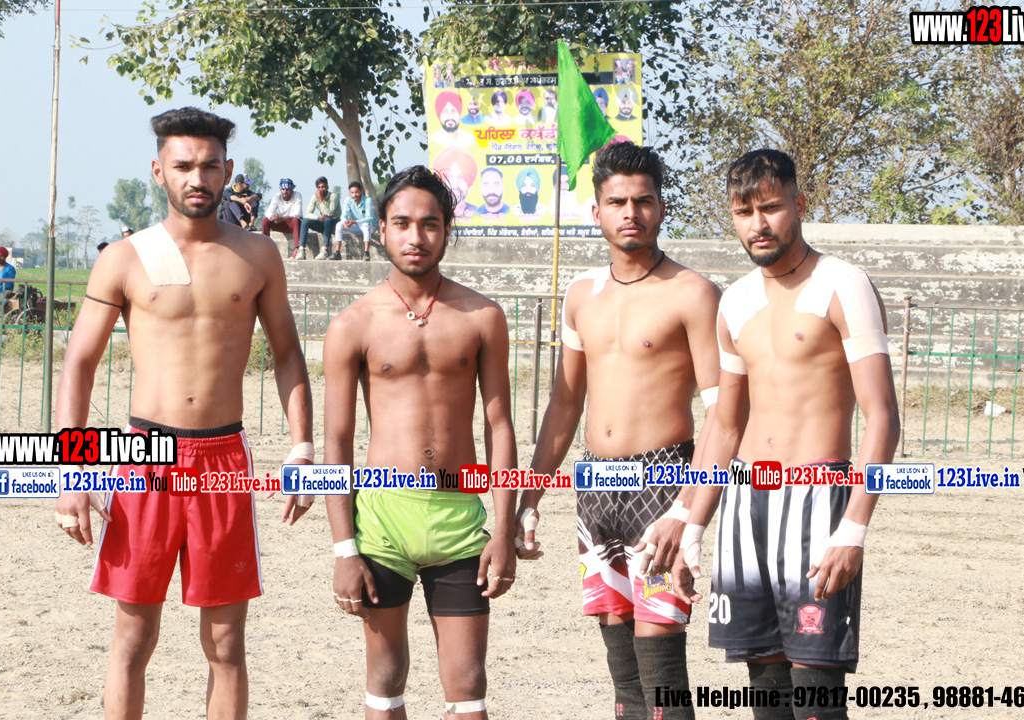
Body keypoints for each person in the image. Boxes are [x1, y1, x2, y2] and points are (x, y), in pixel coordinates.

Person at [54, 106, 315, 720]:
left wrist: (302, 447)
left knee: (225, 644)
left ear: (228, 170)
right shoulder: (124, 257)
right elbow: (79, 363)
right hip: (143, 458)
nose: (197, 178)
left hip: (224, 458)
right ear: (159, 171)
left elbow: (287, 355)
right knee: (133, 638)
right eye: (183, 166)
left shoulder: (258, 255)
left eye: (209, 166)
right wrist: (70, 471)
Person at [673, 149, 900, 720]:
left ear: (799, 204)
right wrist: (693, 524)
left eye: (771, 207)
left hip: (819, 503)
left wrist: (854, 529)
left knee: (816, 693)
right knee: (766, 690)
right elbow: (726, 425)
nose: (758, 224)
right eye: (743, 212)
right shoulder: (734, 302)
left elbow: (882, 417)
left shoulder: (843, 284)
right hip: (746, 504)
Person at [516, 142, 721, 720]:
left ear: (661, 208)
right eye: (617, 202)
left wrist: (688, 509)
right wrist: (530, 498)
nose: (631, 212)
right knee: (620, 660)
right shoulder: (581, 295)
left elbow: (723, 412)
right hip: (596, 487)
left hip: (664, 482)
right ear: (596, 211)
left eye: (643, 201)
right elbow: (564, 405)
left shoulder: (693, 292)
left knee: (661, 657)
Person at [323, 165, 517, 720]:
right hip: (382, 517)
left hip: (457, 515)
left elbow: (499, 426)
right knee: (385, 678)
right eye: (403, 223)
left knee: (468, 683)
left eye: (430, 224)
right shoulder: (354, 323)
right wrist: (344, 550)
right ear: (381, 228)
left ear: (447, 230)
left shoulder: (482, 317)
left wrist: (503, 531)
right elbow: (336, 440)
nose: (416, 236)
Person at [261, 178, 305, 258]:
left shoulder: (297, 195)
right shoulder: (277, 196)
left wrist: (282, 218)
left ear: (291, 190)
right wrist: (273, 217)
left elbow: (297, 213)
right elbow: (268, 212)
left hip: (293, 224)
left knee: (295, 220)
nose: (285, 192)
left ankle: (297, 250)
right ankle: (265, 247)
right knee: (265, 220)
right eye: (283, 189)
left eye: (287, 189)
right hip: (281, 223)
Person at [334, 181, 378, 261]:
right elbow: (343, 216)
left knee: (365, 225)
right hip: (357, 227)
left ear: (360, 191)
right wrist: (346, 222)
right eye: (352, 193)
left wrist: (354, 222)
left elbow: (370, 218)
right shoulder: (348, 200)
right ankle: (337, 253)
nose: (354, 195)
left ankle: (366, 253)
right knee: (339, 224)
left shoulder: (367, 201)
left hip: (370, 227)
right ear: (350, 193)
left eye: (356, 192)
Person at [433, 146, 479, 220]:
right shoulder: (432, 213)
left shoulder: (479, 214)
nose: (455, 185)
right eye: (449, 177)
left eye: (461, 178)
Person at [303, 176, 341, 260]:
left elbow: (329, 213)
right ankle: (301, 249)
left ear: (327, 187)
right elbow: (307, 213)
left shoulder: (333, 196)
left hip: (334, 224)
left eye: (323, 187)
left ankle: (324, 250)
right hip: (324, 223)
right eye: (319, 187)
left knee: (328, 220)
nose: (321, 189)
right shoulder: (314, 197)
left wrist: (320, 200)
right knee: (305, 221)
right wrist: (318, 217)